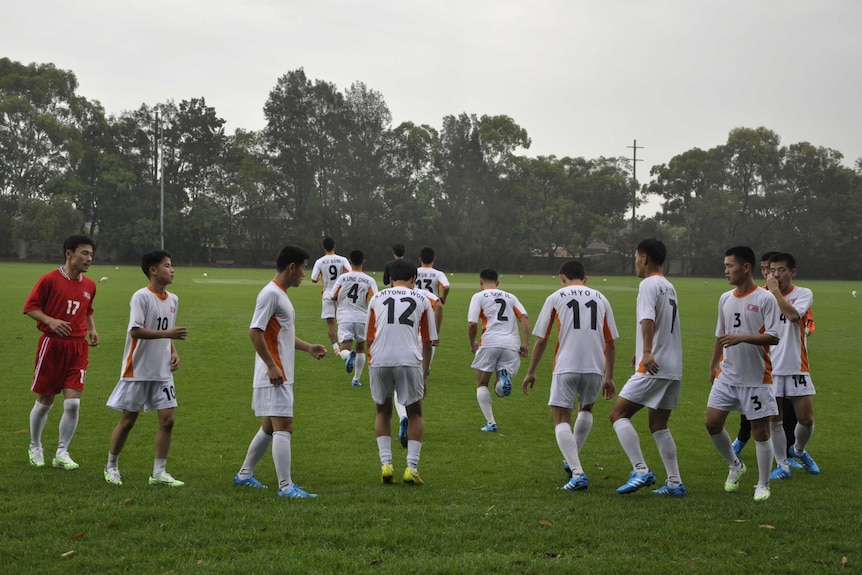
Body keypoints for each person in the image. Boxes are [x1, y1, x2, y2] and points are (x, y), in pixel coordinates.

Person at [234, 245, 328, 498]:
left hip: (278, 371)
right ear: (291, 267)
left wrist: (308, 347)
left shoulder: (280, 294)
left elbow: (282, 336)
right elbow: (255, 331)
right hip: (276, 374)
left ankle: (244, 475)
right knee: (284, 425)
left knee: (269, 427)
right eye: (304, 268)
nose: (304, 274)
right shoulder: (270, 294)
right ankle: (286, 487)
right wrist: (272, 366)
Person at [522, 260, 618, 492]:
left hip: (566, 365)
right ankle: (572, 459)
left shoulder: (556, 297)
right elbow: (611, 342)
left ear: (562, 277)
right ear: (585, 278)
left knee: (561, 418)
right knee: (586, 410)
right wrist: (609, 376)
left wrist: (531, 371)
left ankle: (577, 472)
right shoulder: (601, 298)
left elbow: (542, 339)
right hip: (596, 366)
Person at [104, 250, 188, 487]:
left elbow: (167, 333)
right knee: (128, 420)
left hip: (162, 372)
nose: (172, 270)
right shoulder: (141, 297)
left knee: (168, 420)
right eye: (167, 265)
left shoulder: (173, 299)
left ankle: (159, 473)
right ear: (153, 270)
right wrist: (168, 334)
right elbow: (136, 331)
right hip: (138, 370)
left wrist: (172, 352)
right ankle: (111, 466)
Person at [609, 239, 685, 496]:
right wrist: (642, 347)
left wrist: (647, 352)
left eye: (635, 258)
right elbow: (663, 322)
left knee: (618, 414)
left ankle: (640, 470)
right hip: (673, 366)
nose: (635, 263)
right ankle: (675, 483)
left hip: (654, 365)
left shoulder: (648, 284)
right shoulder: (668, 285)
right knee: (658, 424)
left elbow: (648, 319)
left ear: (644, 258)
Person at [706, 246, 780, 502]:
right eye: (725, 266)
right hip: (727, 375)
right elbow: (720, 335)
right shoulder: (725, 298)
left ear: (745, 267)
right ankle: (735, 465)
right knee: (712, 423)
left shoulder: (765, 298)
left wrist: (743, 338)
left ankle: (763, 483)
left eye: (730, 266)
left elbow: (774, 336)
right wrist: (713, 364)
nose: (725, 270)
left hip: (756, 377)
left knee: (760, 431)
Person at [24, 234, 100, 470]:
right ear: (69, 254)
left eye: (90, 254)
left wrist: (92, 330)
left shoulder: (90, 285)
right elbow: (30, 308)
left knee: (73, 404)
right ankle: (35, 446)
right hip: (52, 345)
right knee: (45, 401)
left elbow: (87, 309)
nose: (89, 258)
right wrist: (51, 321)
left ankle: (61, 452)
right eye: (84, 253)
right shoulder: (49, 279)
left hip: (78, 348)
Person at [365, 259, 437, 485]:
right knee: (415, 413)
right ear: (414, 278)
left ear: (390, 278)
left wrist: (373, 360)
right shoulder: (423, 299)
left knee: (383, 412)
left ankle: (386, 464)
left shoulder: (376, 298)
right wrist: (424, 374)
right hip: (409, 359)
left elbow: (368, 337)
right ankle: (411, 468)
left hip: (380, 359)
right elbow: (428, 342)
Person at [765, 252, 820, 479]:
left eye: (781, 270)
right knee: (774, 419)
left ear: (792, 272)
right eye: (772, 270)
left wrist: (775, 291)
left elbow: (793, 315)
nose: (776, 274)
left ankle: (797, 450)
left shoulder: (803, 293)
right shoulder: (762, 296)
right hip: (770, 367)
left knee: (806, 419)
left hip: (797, 365)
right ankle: (782, 465)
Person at [467, 269, 530, 432]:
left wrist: (472, 342)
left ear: (481, 282)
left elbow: (472, 324)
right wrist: (526, 343)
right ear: (498, 283)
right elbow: (524, 318)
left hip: (490, 342)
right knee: (500, 390)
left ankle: (491, 423)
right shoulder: (511, 297)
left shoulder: (478, 296)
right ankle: (503, 377)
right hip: (512, 344)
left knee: (481, 383)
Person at [330, 250, 379, 387]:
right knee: (360, 347)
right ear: (363, 261)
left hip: (345, 317)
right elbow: (375, 298)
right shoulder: (369, 280)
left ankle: (347, 355)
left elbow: (333, 295)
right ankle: (356, 379)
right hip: (363, 318)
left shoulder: (343, 278)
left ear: (349, 261)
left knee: (344, 348)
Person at [310, 237, 352, 354]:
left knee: (330, 323)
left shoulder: (320, 261)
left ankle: (336, 348)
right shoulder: (342, 259)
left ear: (323, 247)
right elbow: (350, 273)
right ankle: (345, 346)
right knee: (343, 321)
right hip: (340, 294)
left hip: (328, 294)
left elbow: (314, 279)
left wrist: (321, 276)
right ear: (334, 245)